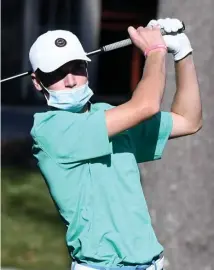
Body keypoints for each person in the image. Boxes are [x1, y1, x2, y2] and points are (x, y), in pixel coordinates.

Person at [29, 18, 202, 270]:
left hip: (152, 264)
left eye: (77, 67)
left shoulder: (109, 115)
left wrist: (182, 53)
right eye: (56, 73)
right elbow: (146, 105)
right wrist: (155, 52)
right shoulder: (49, 131)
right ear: (37, 81)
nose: (70, 81)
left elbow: (188, 120)